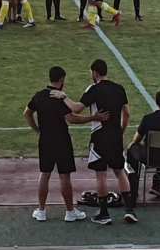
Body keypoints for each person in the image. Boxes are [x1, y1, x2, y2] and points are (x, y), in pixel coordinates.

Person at [23, 65, 103, 223]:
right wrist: (93, 118)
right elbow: (72, 118)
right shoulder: (59, 98)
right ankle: (69, 211)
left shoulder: (39, 96)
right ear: (61, 80)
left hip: (45, 139)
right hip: (61, 140)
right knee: (64, 176)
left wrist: (37, 129)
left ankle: (41, 210)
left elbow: (27, 113)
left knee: (44, 174)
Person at [80, 59, 133, 224]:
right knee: (120, 171)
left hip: (100, 136)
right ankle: (129, 210)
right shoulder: (119, 89)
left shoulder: (93, 89)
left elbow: (77, 108)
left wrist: (62, 97)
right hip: (116, 135)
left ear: (95, 72)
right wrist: (121, 130)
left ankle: (104, 213)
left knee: (101, 174)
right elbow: (127, 113)